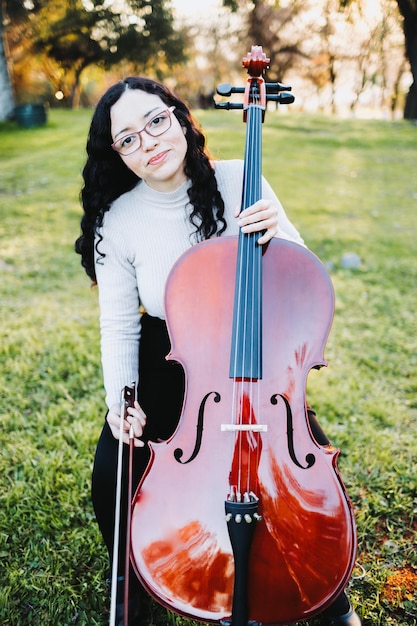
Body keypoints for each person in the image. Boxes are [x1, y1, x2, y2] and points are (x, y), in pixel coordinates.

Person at [75, 76, 361, 626]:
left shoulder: (238, 179)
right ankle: (130, 580)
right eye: (127, 138)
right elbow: (118, 324)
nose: (149, 141)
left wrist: (276, 233)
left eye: (156, 121)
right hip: (175, 351)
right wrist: (121, 401)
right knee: (116, 462)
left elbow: (302, 279)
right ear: (115, 153)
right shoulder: (120, 219)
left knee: (303, 465)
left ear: (180, 118)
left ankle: (324, 595)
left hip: (252, 349)